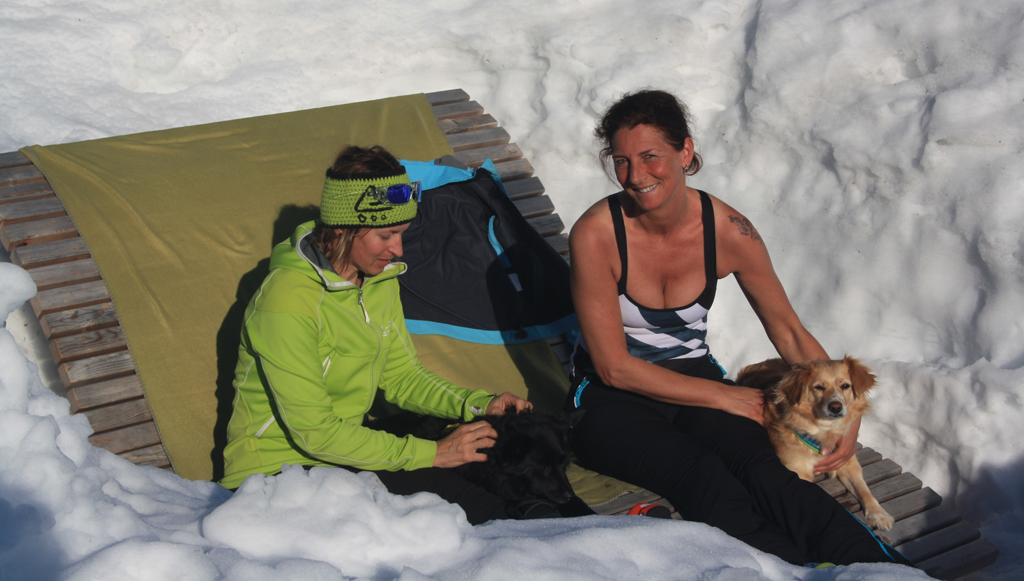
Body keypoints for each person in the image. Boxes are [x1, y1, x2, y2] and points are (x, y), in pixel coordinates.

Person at [566, 90, 910, 566]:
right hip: (610, 399)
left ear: (685, 151)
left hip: (694, 380)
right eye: (622, 161)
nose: (636, 175)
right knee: (702, 476)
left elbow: (788, 331)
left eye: (650, 156)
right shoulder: (597, 234)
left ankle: (884, 572)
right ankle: (795, 573)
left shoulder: (728, 230)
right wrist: (725, 396)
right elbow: (614, 367)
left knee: (767, 474)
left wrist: (848, 418)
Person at [220, 144, 554, 523]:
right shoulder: (287, 301)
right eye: (386, 235)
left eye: (401, 234)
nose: (398, 249)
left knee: (503, 491)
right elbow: (315, 432)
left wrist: (479, 404)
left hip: (347, 460)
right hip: (276, 476)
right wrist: (433, 453)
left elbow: (401, 376)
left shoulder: (377, 280)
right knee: (479, 513)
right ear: (343, 228)